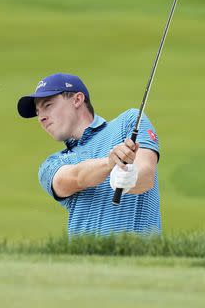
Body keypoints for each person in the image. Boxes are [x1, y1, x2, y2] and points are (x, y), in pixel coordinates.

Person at [17, 73, 161, 235]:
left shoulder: (129, 122)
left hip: (138, 257)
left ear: (77, 99)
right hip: (85, 260)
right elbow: (74, 178)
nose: (41, 117)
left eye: (48, 105)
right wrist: (109, 163)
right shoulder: (52, 164)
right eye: (37, 112)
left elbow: (147, 175)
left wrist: (131, 178)